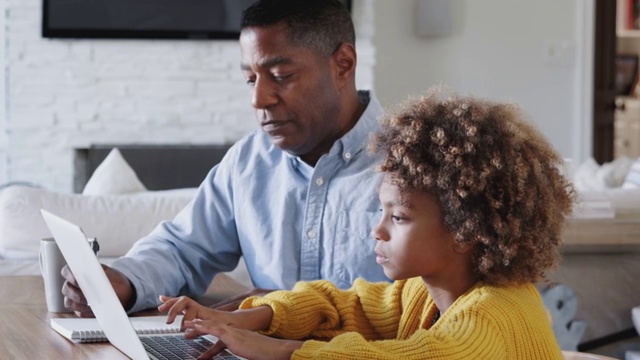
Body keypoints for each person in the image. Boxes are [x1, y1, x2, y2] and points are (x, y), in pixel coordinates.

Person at [159, 88, 574, 359]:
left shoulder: (494, 314)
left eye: (398, 217)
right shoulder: (423, 293)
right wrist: (250, 319)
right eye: (381, 211)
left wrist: (279, 350)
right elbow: (345, 304)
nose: (378, 230)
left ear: (466, 229)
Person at [61, 0, 389, 316]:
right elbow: (182, 250)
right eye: (251, 79)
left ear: (343, 65)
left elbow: (427, 307)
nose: (258, 99)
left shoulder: (413, 165)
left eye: (281, 75)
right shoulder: (248, 163)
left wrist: (291, 308)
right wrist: (125, 283)